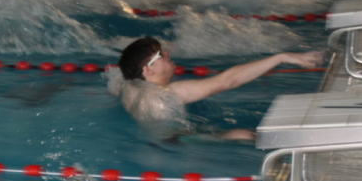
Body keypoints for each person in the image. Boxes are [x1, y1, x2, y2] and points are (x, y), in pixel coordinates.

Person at [105, 37, 323, 141]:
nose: (168, 54)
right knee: (244, 135)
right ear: (148, 70)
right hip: (179, 145)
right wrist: (281, 57)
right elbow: (228, 81)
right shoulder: (169, 94)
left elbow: (115, 81)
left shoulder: (129, 87)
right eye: (161, 55)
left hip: (153, 142)